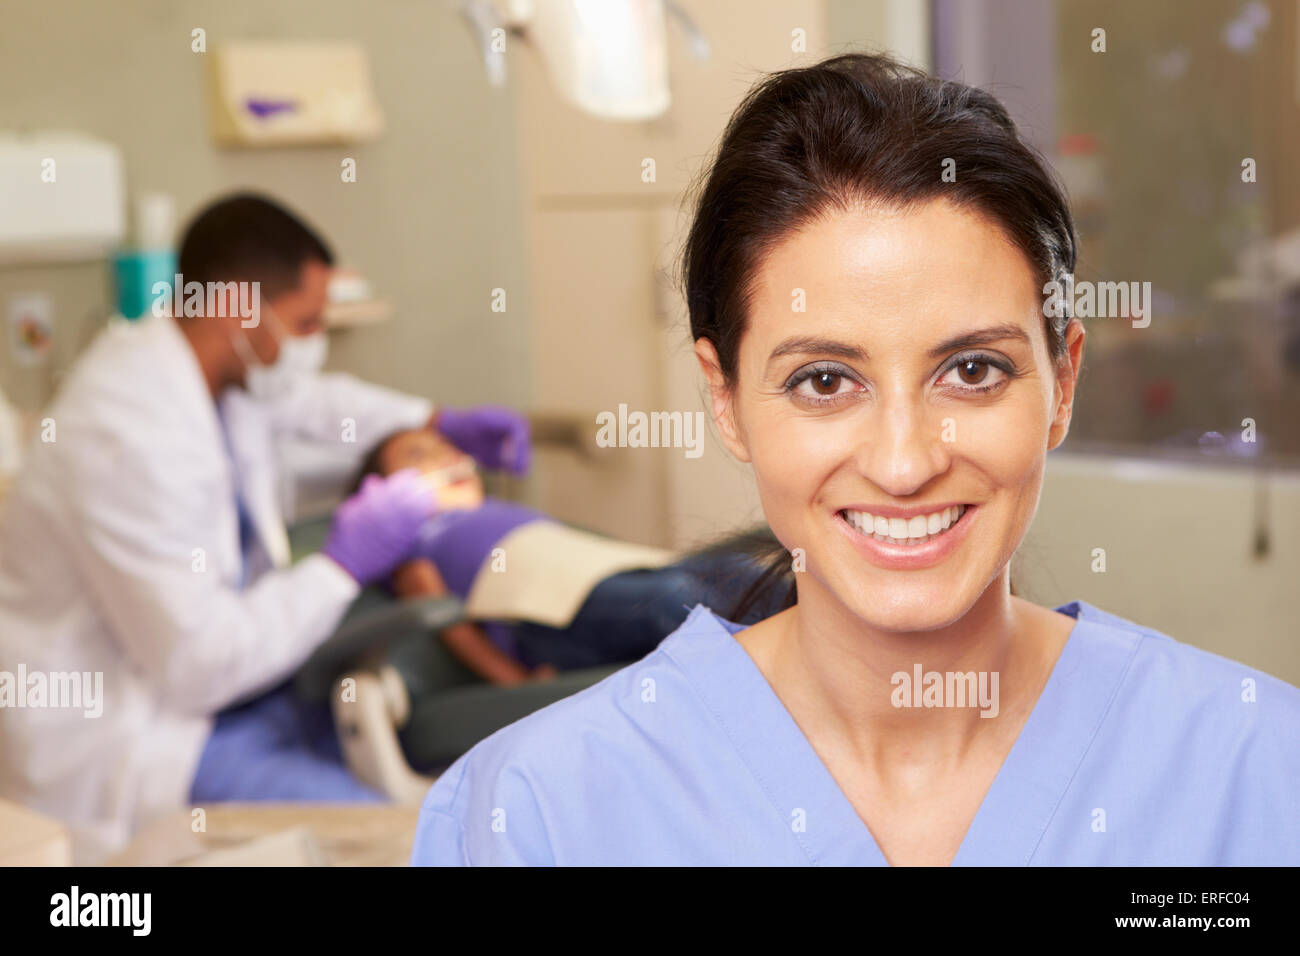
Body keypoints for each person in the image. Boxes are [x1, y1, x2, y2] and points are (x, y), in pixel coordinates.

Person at [410, 53, 1300, 866]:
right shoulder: (539, 814)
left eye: (972, 370)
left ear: (1062, 382)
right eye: (825, 381)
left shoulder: (1257, 771)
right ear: (726, 400)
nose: (904, 464)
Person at [0, 193, 530, 862]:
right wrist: (342, 563)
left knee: (438, 799)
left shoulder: (212, 373)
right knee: (390, 843)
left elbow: (314, 404)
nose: (313, 342)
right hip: (140, 739)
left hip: (230, 696)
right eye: (305, 323)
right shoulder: (123, 433)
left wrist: (433, 419)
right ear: (237, 308)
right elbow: (197, 665)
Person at [353, 426, 782, 686]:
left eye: (443, 445)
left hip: (601, 574)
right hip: (543, 615)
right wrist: (513, 683)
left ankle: (810, 650)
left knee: (740, 569)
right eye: (417, 455)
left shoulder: (496, 512)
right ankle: (783, 680)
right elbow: (444, 619)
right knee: (676, 598)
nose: (443, 455)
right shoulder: (418, 540)